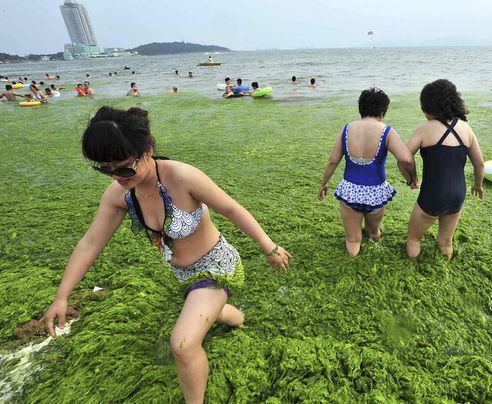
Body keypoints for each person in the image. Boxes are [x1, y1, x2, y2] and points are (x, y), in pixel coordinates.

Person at [43, 106, 291, 403]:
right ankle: (233, 317)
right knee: (208, 312)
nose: (115, 176)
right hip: (182, 275)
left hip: (217, 265)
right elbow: (91, 242)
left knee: (183, 345)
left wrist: (270, 247)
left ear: (147, 150)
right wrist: (62, 296)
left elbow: (232, 209)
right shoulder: (119, 195)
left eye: (123, 167)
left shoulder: (182, 177)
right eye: (104, 168)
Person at [318, 88, 417, 256]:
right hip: (376, 192)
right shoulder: (387, 131)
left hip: (350, 191)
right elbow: (406, 159)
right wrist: (412, 177)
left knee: (352, 240)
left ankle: (352, 263)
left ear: (360, 108)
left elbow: (333, 160)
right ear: (383, 111)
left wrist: (324, 183)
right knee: (374, 232)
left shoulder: (347, 129)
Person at [405, 79, 485, 259]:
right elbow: (479, 164)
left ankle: (411, 269)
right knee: (446, 242)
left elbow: (404, 158)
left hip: (432, 196)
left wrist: (411, 178)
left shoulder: (424, 130)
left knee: (414, 239)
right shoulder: (466, 129)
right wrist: (478, 185)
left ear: (427, 106)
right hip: (458, 195)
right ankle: (445, 267)